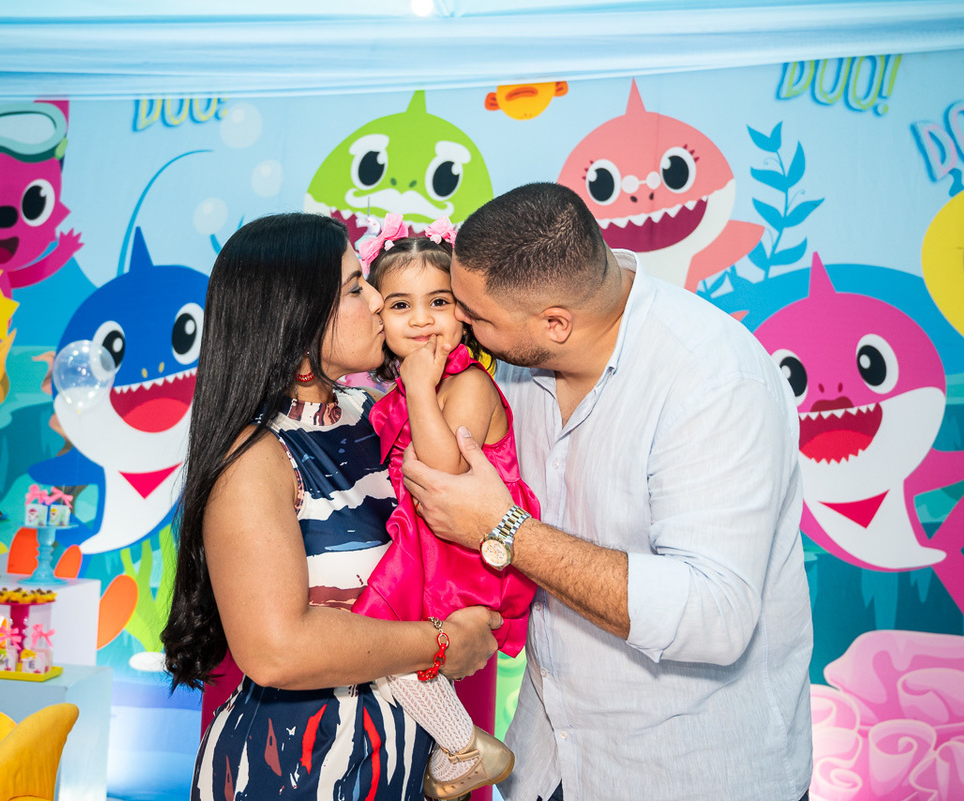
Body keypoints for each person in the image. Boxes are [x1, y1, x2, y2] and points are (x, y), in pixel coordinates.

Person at [399, 183, 814, 801]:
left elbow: (714, 616)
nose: (458, 321)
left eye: (474, 314)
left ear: (556, 324)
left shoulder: (713, 381)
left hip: (691, 773)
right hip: (550, 760)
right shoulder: (511, 358)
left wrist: (504, 529)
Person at [161, 213, 504, 801]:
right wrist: (442, 643)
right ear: (295, 316)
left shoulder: (371, 413)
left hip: (394, 761)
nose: (377, 301)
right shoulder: (257, 453)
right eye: (354, 288)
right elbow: (276, 650)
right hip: (296, 765)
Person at [350, 214, 541, 800]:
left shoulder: (470, 383)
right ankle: (456, 746)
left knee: (381, 644)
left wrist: (413, 389)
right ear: (378, 318)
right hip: (428, 550)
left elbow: (442, 471)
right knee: (381, 648)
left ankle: (464, 747)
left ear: (466, 313)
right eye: (401, 306)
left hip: (462, 560)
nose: (422, 319)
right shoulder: (414, 389)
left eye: (439, 301)